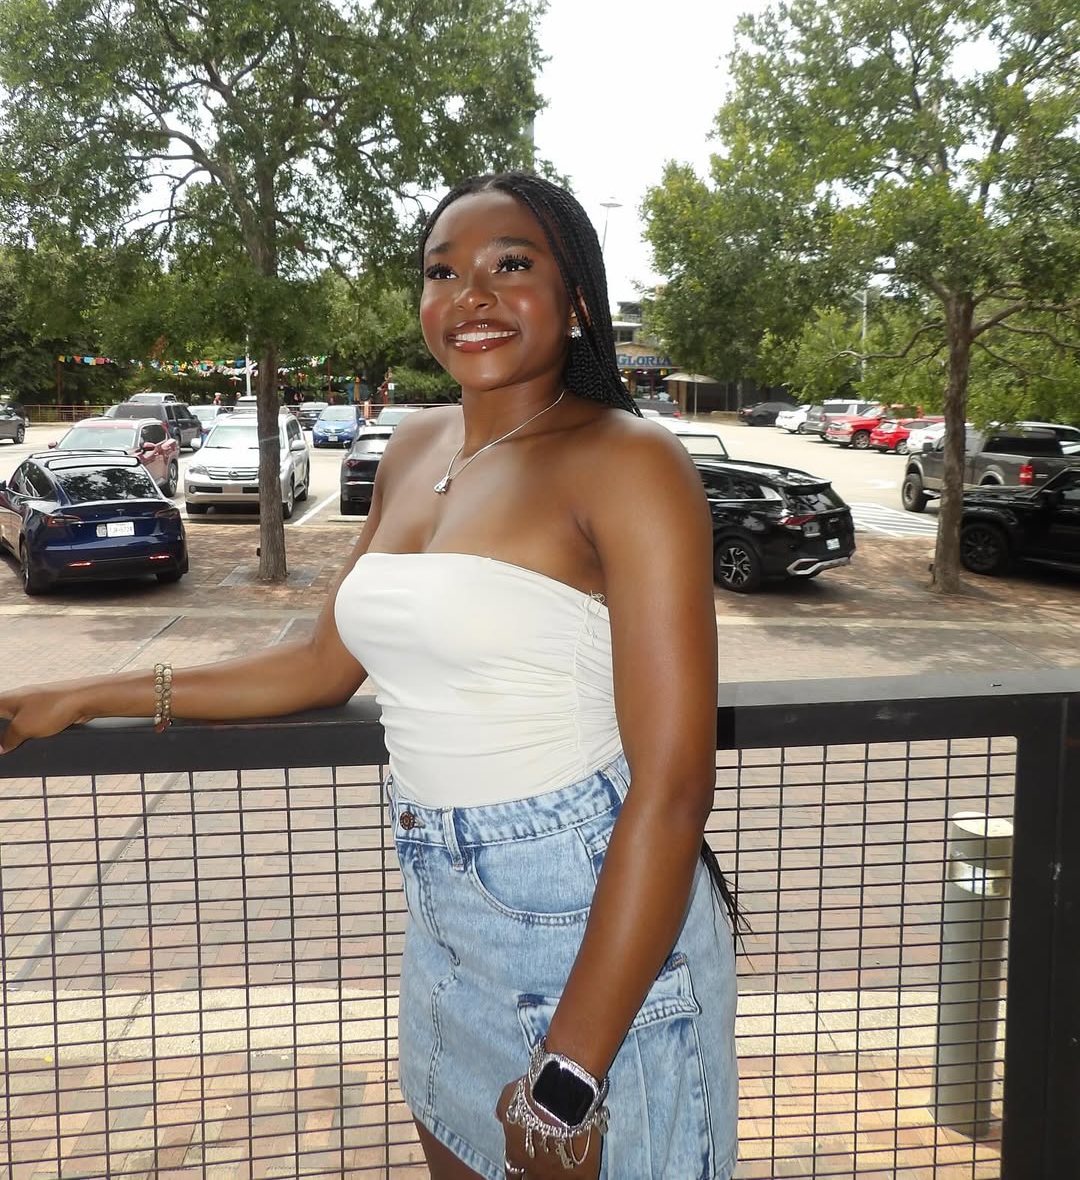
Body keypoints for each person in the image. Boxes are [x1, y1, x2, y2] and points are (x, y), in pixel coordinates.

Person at [0, 172, 739, 1180]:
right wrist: (87, 693)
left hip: (590, 921)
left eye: (510, 265)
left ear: (574, 299)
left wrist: (569, 1076)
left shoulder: (630, 461)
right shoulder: (417, 445)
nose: (471, 296)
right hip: (443, 920)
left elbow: (675, 786)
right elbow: (321, 663)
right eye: (443, 272)